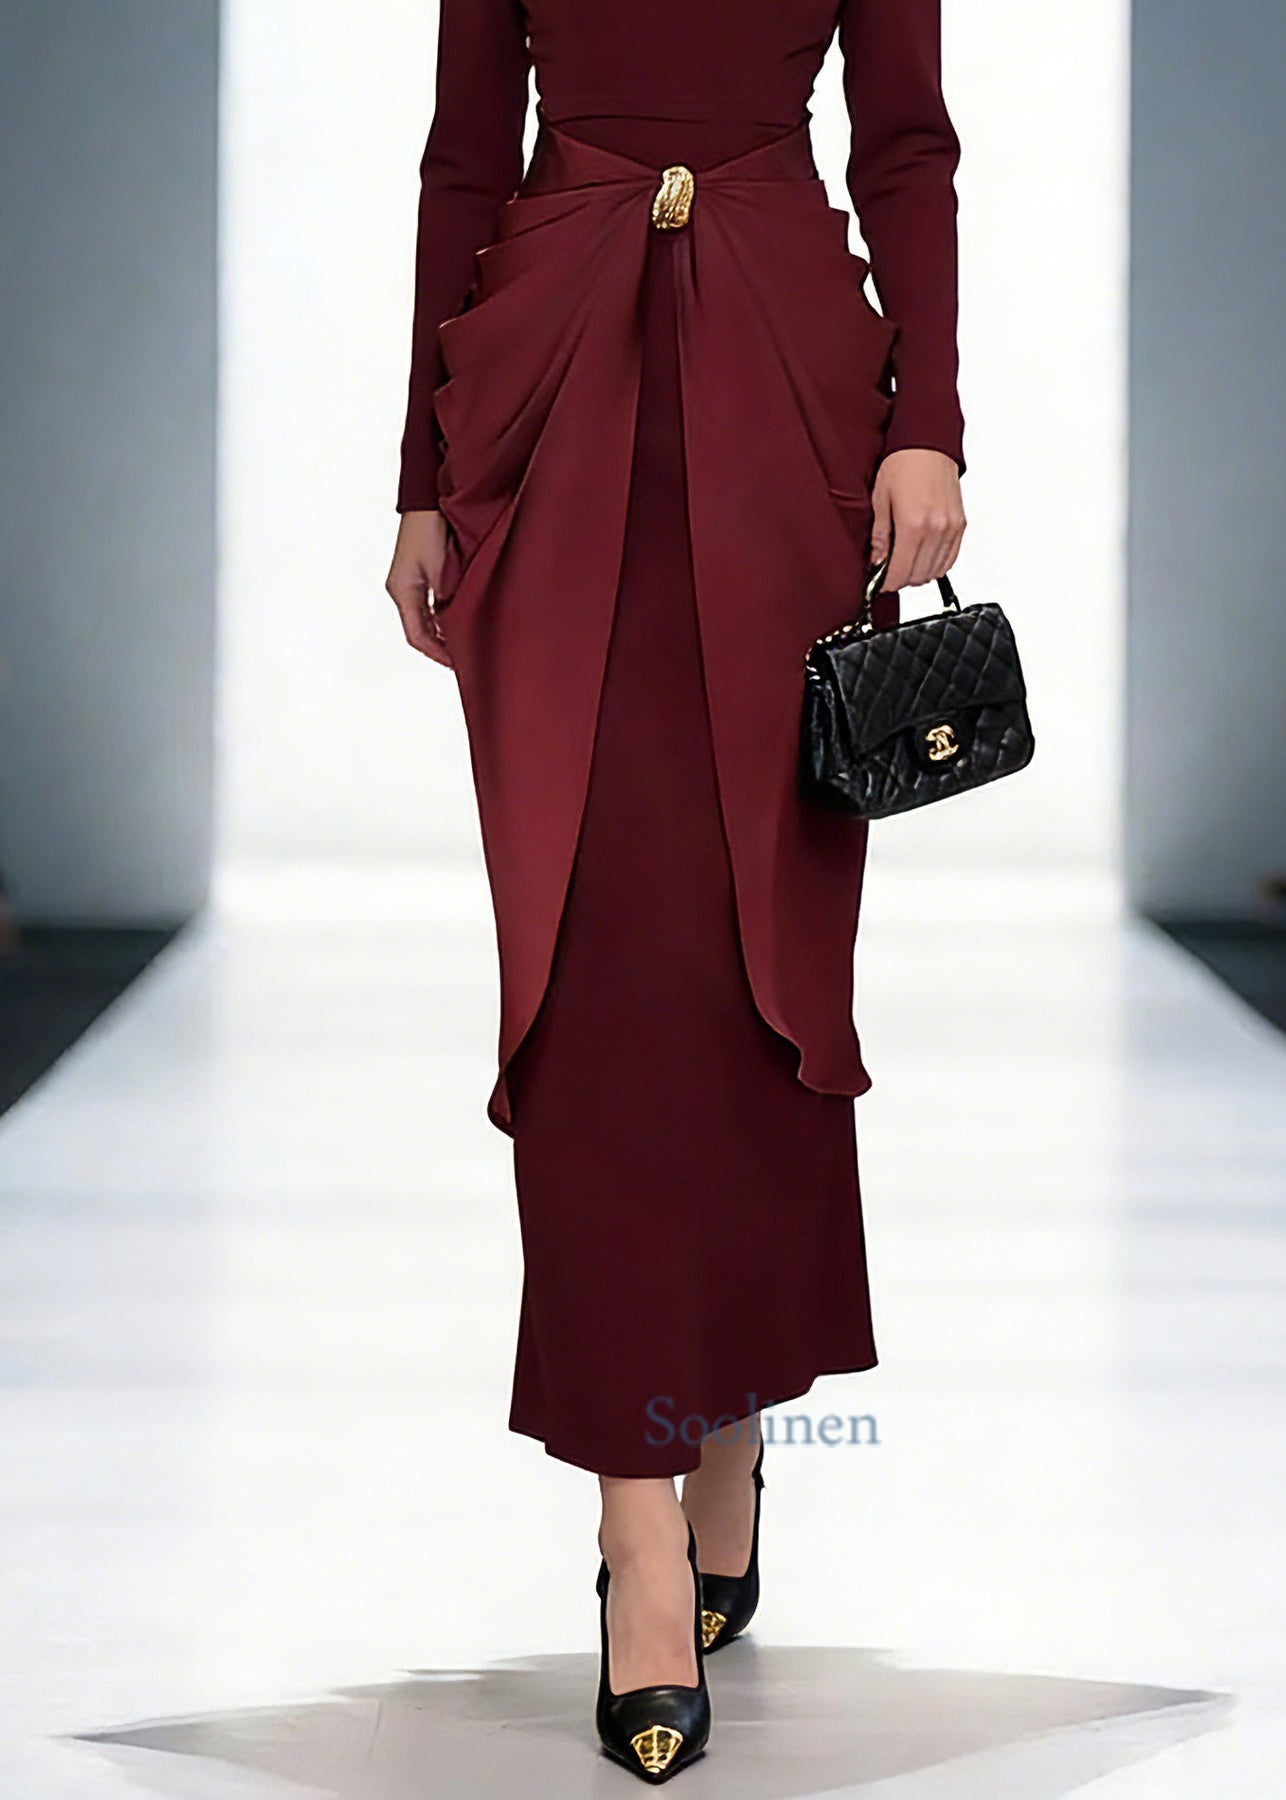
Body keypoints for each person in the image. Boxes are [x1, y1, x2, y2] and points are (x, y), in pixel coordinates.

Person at [385, 0, 966, 1781]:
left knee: (750, 961)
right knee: (580, 963)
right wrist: (417, 474)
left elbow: (905, 144)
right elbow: (464, 152)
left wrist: (929, 424)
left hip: (787, 399)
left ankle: (718, 1426)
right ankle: (637, 1533)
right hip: (544, 403)